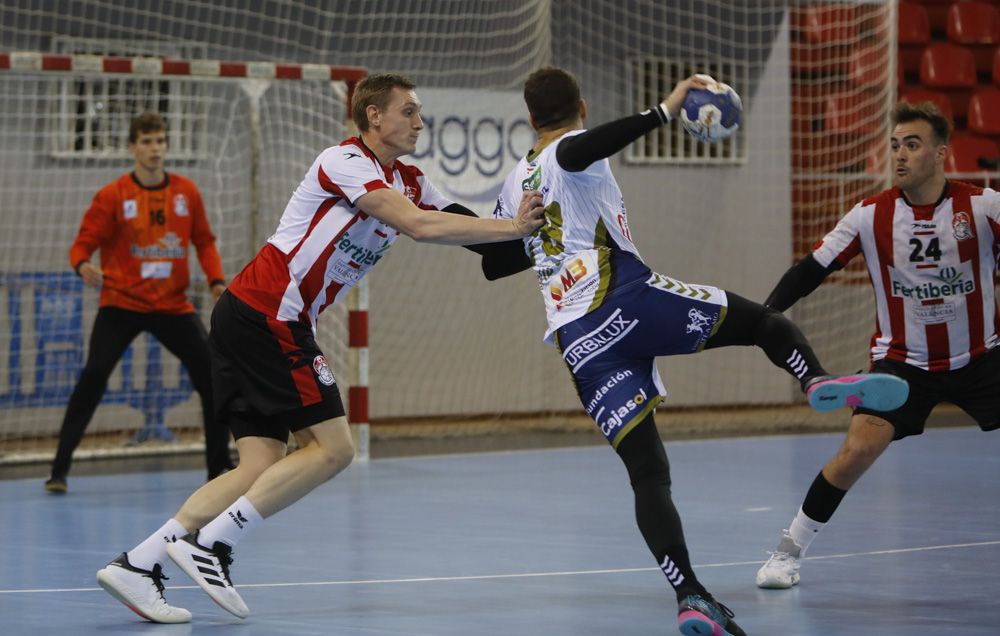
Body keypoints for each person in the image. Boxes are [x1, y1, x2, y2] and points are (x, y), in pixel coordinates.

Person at [94, 73, 545, 624]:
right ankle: (214, 546)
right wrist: (512, 227)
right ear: (374, 115)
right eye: (409, 111)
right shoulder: (344, 161)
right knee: (335, 450)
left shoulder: (410, 178)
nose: (420, 121)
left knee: (260, 462)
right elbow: (419, 227)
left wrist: (533, 230)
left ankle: (138, 565)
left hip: (252, 315)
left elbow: (469, 232)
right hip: (268, 314)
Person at [484, 67, 909, 636]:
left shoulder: (516, 182)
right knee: (763, 322)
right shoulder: (567, 152)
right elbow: (580, 149)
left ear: (529, 117)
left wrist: (522, 231)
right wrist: (664, 110)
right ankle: (813, 381)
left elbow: (493, 262)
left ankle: (690, 596)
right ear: (581, 106)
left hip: (580, 343)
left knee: (648, 473)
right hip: (627, 301)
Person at [755, 101, 1000, 589]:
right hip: (901, 364)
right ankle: (788, 551)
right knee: (857, 449)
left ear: (941, 154)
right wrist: (764, 318)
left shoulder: (985, 207)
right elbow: (810, 270)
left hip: (982, 356)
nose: (900, 155)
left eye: (912, 144)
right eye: (895, 146)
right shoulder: (869, 216)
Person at [44, 112, 234, 494]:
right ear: (133, 147)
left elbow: (204, 241)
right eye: (147, 142)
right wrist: (82, 264)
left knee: (212, 377)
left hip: (172, 306)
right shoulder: (113, 195)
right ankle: (59, 470)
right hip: (122, 303)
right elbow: (83, 243)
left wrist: (215, 279)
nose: (155, 149)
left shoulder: (186, 192)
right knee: (94, 376)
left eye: (160, 141)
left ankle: (218, 467)